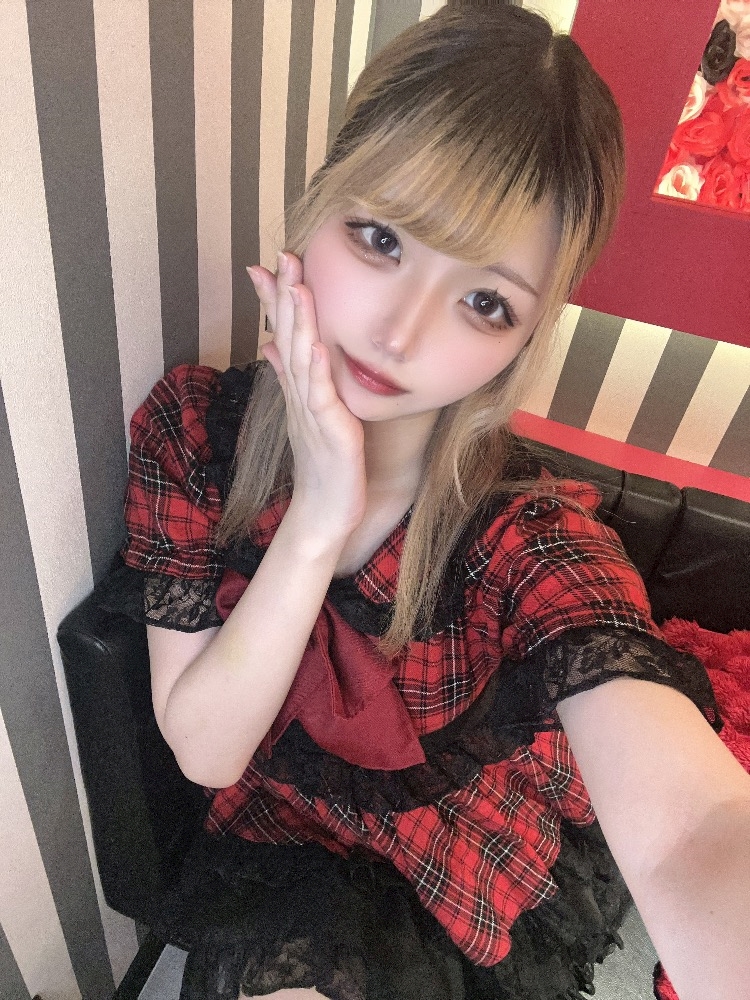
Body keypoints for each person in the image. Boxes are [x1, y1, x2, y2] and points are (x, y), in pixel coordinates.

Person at [116, 4, 750, 999]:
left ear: (524, 338)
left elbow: (695, 832)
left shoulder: (526, 533)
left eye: (485, 301)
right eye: (381, 237)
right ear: (318, 201)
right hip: (288, 842)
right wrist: (319, 517)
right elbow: (205, 748)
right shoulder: (192, 432)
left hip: (462, 863)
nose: (402, 332)